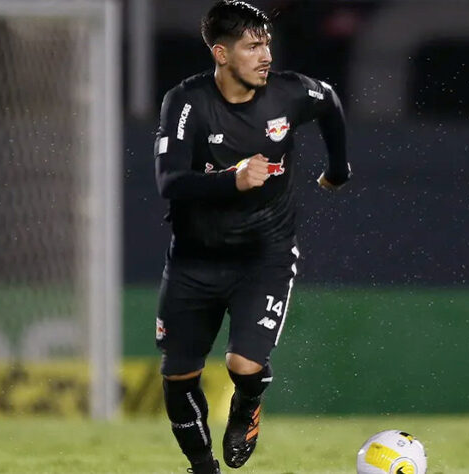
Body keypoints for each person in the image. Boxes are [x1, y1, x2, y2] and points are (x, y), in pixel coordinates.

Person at [153, 1, 350, 472]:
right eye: (252, 46)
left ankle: (247, 404)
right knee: (179, 377)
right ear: (221, 54)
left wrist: (338, 169)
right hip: (194, 261)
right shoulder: (187, 103)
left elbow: (330, 103)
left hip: (265, 256)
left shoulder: (289, 95)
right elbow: (169, 182)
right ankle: (202, 467)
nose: (265, 55)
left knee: (243, 365)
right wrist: (231, 178)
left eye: (267, 43)